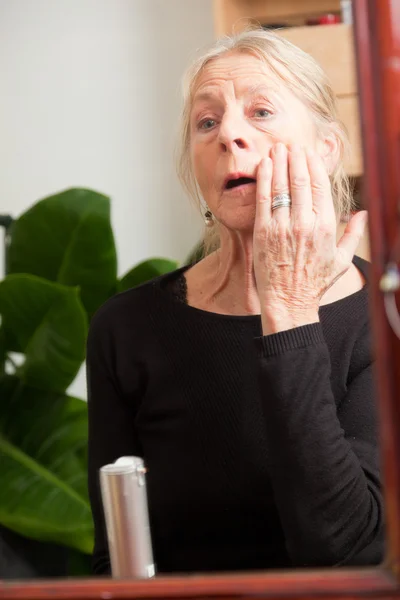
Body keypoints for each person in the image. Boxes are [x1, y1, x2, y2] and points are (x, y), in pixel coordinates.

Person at [87, 28, 384, 575]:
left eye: (262, 112)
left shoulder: (384, 319)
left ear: (327, 148)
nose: (228, 134)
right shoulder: (125, 327)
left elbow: (345, 551)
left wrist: (290, 309)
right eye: (206, 121)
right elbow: (116, 559)